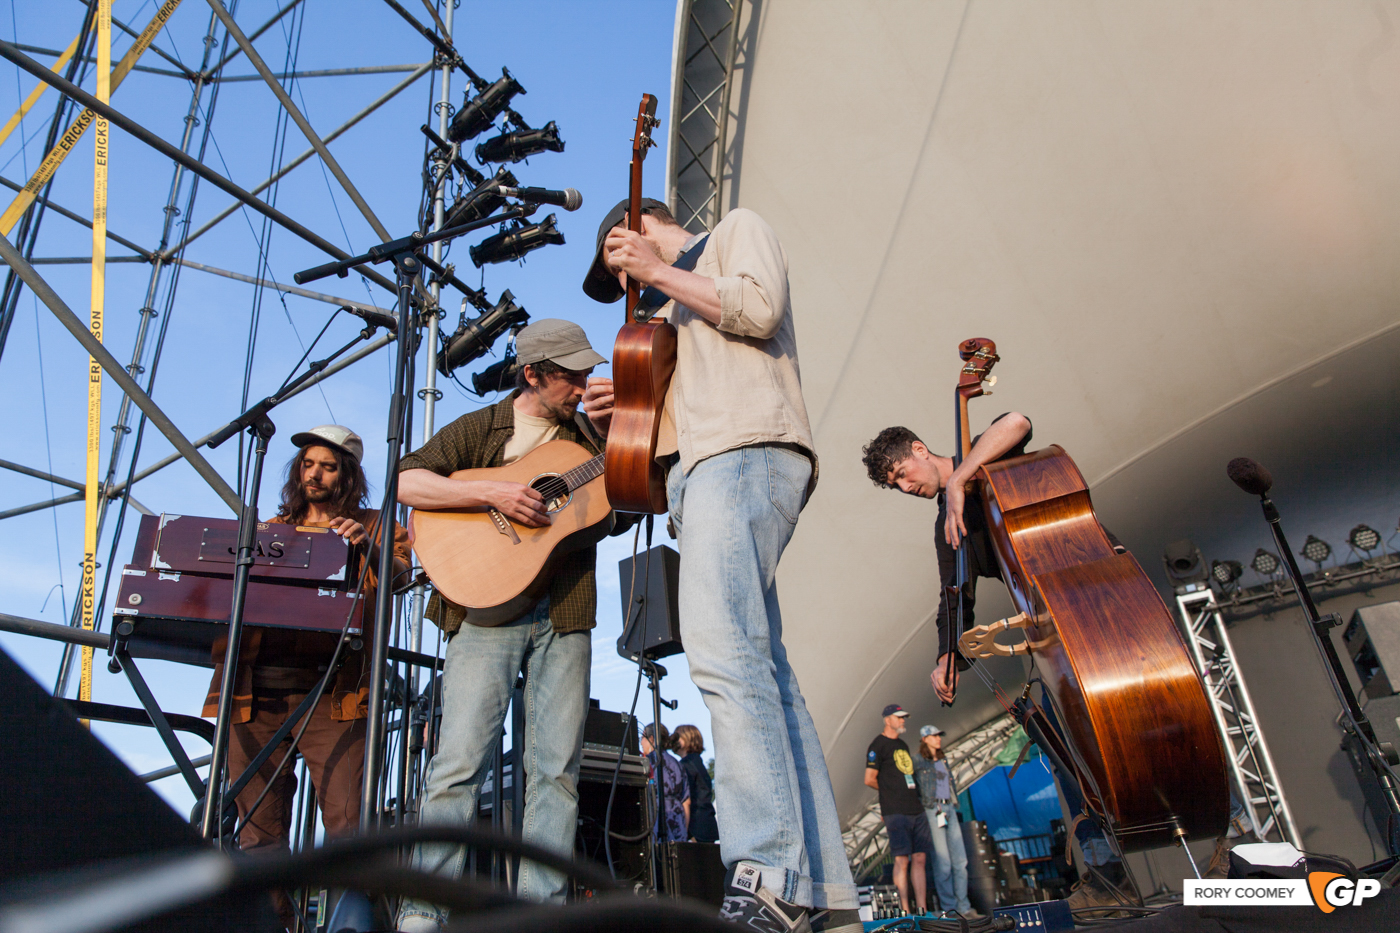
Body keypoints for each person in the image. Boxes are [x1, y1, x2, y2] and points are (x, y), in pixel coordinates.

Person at [582, 198, 860, 933]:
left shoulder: (731, 231)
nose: (627, 288)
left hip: (744, 455)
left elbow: (759, 307)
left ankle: (769, 871)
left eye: (622, 265)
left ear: (639, 223)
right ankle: (825, 892)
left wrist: (661, 270)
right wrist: (624, 406)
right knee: (765, 673)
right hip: (705, 470)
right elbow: (668, 435)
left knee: (725, 658)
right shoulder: (673, 313)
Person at [395, 321, 623, 930]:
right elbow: (406, 480)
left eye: (584, 373)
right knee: (457, 766)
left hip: (565, 614)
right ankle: (422, 913)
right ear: (532, 375)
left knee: (556, 773)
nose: (583, 384)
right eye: (570, 375)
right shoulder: (484, 426)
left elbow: (617, 508)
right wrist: (494, 494)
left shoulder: (588, 436)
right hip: (485, 613)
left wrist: (614, 440)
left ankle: (539, 914)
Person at [861, 416, 1133, 911]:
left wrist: (963, 479)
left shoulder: (988, 466)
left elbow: (1017, 421)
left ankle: (1230, 838)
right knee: (1058, 739)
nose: (906, 487)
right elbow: (953, 598)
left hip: (1101, 592)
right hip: (1051, 629)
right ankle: (1106, 872)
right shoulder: (949, 524)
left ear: (921, 449)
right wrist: (946, 656)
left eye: (903, 473)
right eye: (895, 485)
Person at [202, 425, 410, 931]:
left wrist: (368, 549)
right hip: (257, 694)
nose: (314, 474)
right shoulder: (270, 529)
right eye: (307, 464)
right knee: (258, 836)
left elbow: (402, 577)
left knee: (346, 827)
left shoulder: (375, 524)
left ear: (349, 475)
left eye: (328, 466)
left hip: (334, 694)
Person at [864, 704, 930, 917]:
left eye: (904, 718)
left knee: (920, 858)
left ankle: (922, 908)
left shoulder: (902, 744)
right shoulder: (877, 745)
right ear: (887, 719)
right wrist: (890, 792)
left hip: (915, 808)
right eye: (898, 717)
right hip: (895, 810)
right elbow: (869, 779)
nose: (902, 721)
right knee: (902, 859)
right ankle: (905, 909)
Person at [912, 726, 975, 917]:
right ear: (924, 738)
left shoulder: (943, 758)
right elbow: (911, 783)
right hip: (933, 809)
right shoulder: (918, 760)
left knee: (960, 860)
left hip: (948, 807)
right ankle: (950, 908)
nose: (938, 739)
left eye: (939, 736)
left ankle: (964, 907)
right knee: (943, 862)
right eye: (934, 736)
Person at [642, 723, 690, 844]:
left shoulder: (647, 763)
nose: (641, 743)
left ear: (651, 738)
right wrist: (684, 830)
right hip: (678, 820)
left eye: (642, 738)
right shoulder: (677, 764)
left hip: (655, 816)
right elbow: (686, 802)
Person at [673, 723, 719, 843]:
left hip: (695, 827)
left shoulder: (687, 765)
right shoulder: (697, 762)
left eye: (677, 738)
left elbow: (686, 799)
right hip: (706, 824)